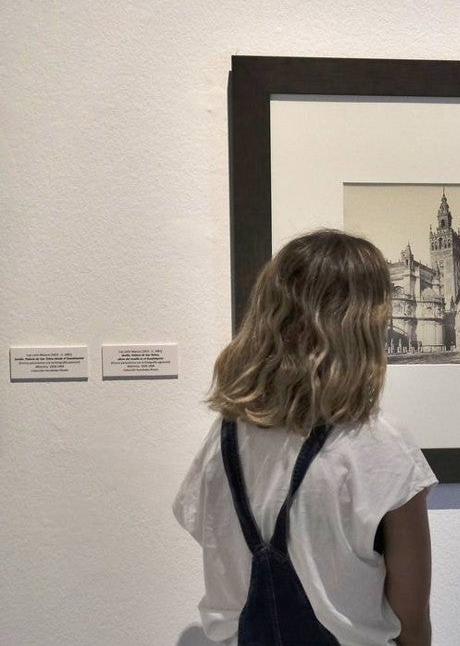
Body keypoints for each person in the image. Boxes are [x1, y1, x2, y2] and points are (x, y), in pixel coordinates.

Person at [174, 229, 437, 645]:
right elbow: (412, 620)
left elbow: (202, 530)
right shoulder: (380, 445)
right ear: (363, 325)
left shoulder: (223, 436)